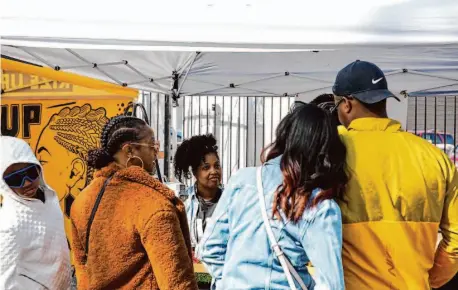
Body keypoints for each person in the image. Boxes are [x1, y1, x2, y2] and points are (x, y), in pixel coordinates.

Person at [332, 60, 458, 289]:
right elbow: (456, 240)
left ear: (346, 104)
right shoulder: (434, 157)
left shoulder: (334, 151)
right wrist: (427, 281)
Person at [197, 103, 348, 289]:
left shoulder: (241, 180)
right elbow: (331, 285)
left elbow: (208, 249)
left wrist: (232, 280)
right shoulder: (319, 206)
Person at [70, 115, 198, 290]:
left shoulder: (81, 201)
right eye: (152, 144)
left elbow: (81, 267)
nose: (156, 152)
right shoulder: (154, 205)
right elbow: (177, 283)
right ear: (129, 150)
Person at [0, 136, 71, 289]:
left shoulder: (50, 197)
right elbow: (5, 281)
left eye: (31, 172)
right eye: (15, 179)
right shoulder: (9, 224)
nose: (26, 182)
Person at [173, 134, 222, 249]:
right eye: (206, 167)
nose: (214, 171)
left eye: (217, 166)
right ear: (195, 172)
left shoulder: (230, 200)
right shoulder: (182, 202)